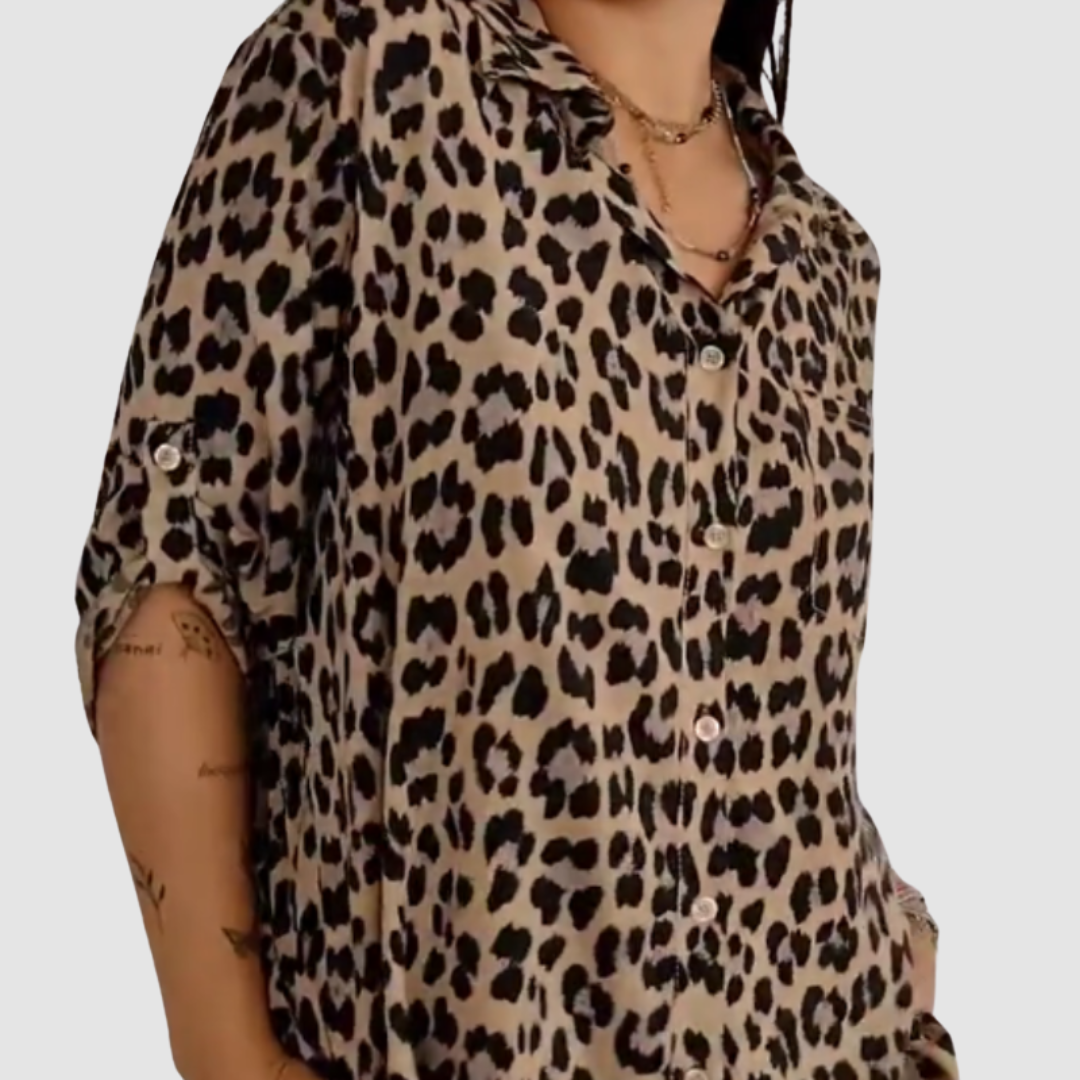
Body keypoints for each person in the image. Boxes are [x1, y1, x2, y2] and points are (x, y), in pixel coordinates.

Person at [74, 0, 959, 1078]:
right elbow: (173, 551)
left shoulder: (829, 262)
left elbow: (758, 709)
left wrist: (887, 928)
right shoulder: (376, 68)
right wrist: (230, 1054)